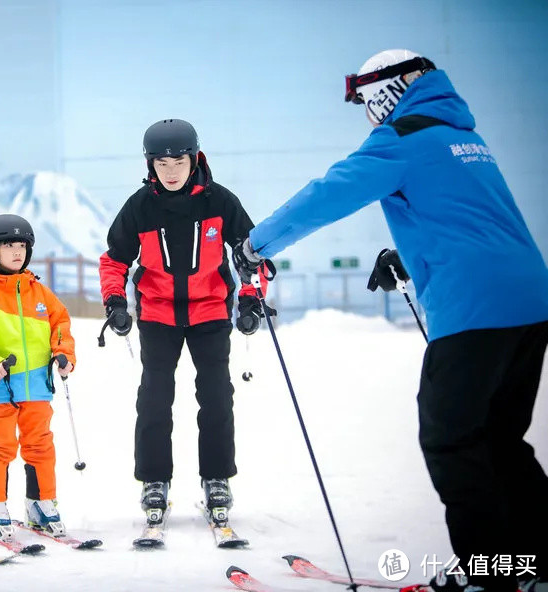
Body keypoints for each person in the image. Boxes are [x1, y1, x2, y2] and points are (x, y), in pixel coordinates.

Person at [234, 50, 548, 592]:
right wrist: (413, 253)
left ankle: (488, 575)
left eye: (365, 101)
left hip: (474, 309)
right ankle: (534, 564)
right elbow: (473, 222)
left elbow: (328, 194)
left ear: (389, 91)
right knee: (501, 440)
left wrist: (257, 244)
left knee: (453, 439)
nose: (367, 116)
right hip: (528, 304)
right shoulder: (463, 139)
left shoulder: (402, 137)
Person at [98, 118, 268, 528]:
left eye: (178, 161)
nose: (170, 171)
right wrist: (115, 302)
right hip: (158, 314)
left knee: (215, 396)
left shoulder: (220, 202)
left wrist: (249, 299)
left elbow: (253, 254)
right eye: (161, 163)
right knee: (154, 398)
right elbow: (114, 260)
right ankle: (155, 480)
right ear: (149, 165)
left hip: (209, 312)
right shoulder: (139, 207)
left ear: (194, 159)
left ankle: (216, 477)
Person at [0, 214, 76, 539]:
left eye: (22, 245)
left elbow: (61, 324)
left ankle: (41, 503)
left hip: (38, 388)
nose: (17, 252)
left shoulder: (40, 293)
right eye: (9, 245)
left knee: (40, 445)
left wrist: (63, 352)